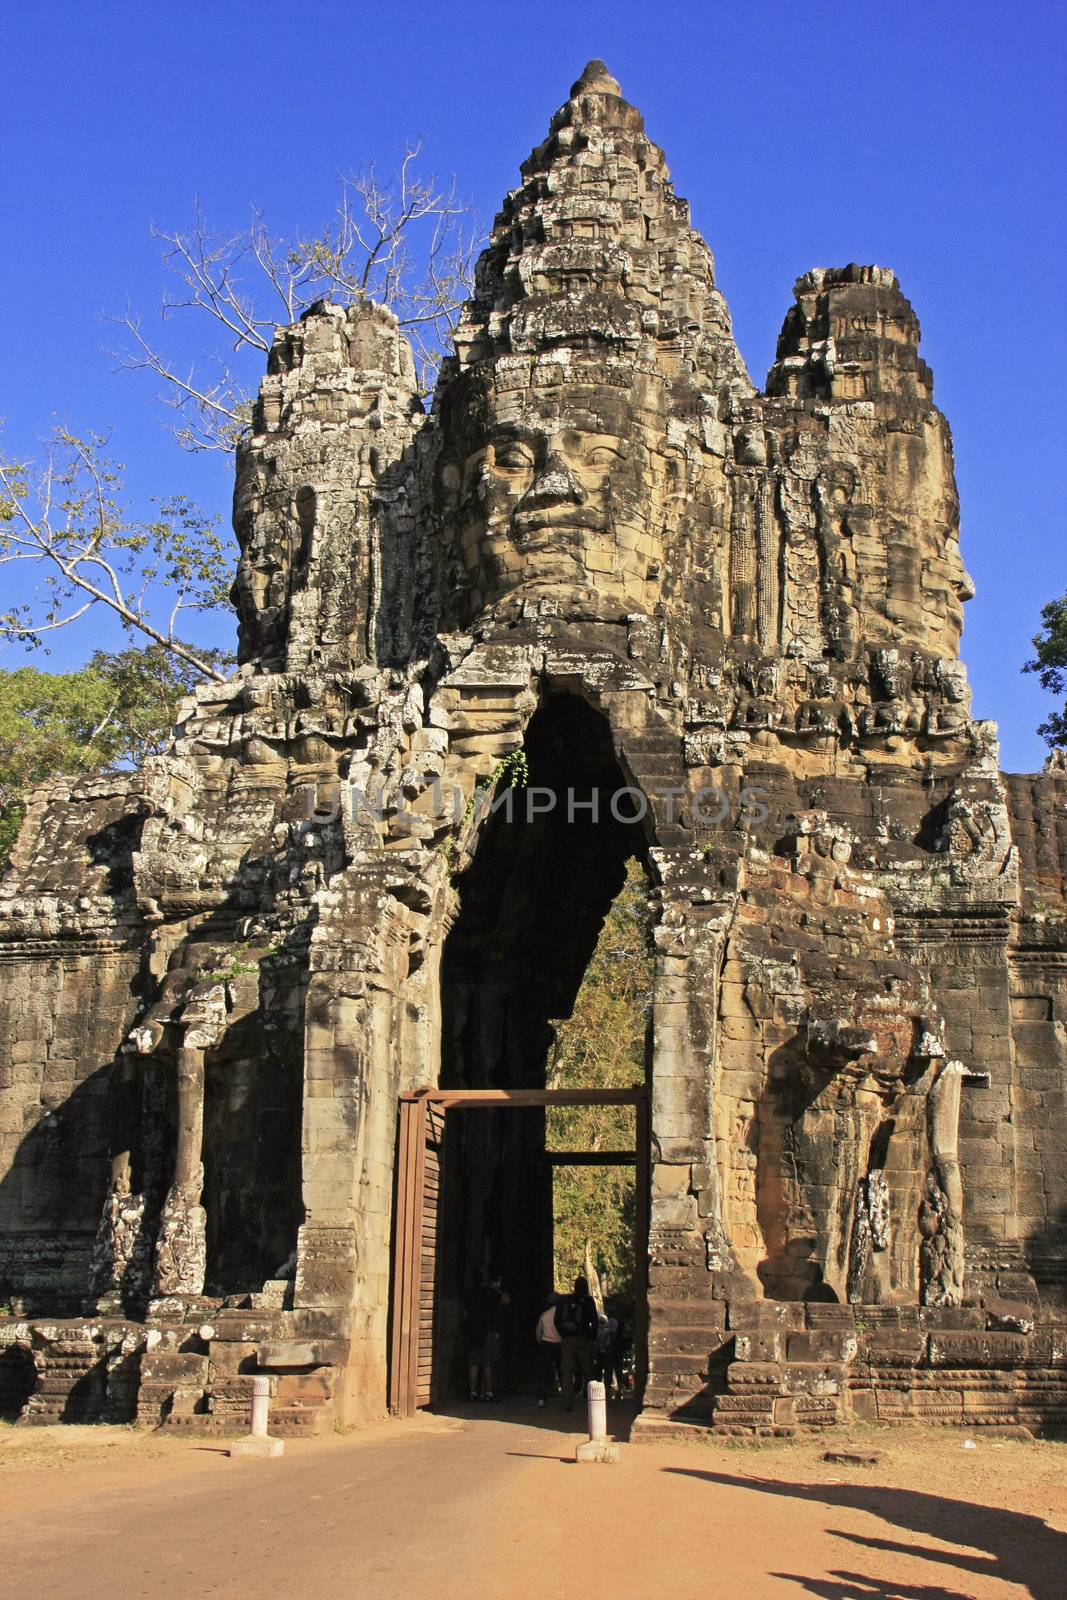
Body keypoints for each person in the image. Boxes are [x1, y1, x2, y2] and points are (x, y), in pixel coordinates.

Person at [554, 1274, 598, 1410]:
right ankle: (593, 1401)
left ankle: (567, 1401)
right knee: (588, 1370)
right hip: (583, 1339)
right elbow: (594, 1322)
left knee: (567, 1370)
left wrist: (563, 1334)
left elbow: (556, 1320)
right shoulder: (588, 1301)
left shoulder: (564, 1300)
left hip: (567, 1340)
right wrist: (592, 1339)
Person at [464, 1269, 508, 1401]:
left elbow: (465, 1314)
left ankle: (473, 1393)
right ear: (485, 1280)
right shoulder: (490, 1293)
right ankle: (489, 1393)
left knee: (473, 1363)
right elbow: (507, 1299)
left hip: (473, 1332)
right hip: (488, 1331)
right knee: (488, 1364)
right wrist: (497, 1289)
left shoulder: (468, 1294)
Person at [534, 1295, 562, 1407]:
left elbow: (538, 1332)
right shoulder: (561, 1315)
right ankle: (567, 1398)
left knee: (544, 1372)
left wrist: (541, 1342)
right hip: (559, 1345)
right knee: (562, 1371)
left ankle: (541, 1398)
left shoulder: (544, 1315)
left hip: (546, 1344)